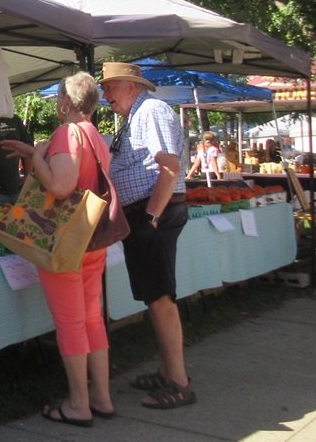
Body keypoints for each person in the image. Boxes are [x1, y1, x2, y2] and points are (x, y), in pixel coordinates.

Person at [1, 71, 115, 427]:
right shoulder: (93, 134)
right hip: (91, 240)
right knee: (92, 319)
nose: (54, 104)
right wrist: (38, 152)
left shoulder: (67, 132)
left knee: (70, 323)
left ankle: (79, 404)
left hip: (65, 244)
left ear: (67, 102)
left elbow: (62, 185)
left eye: (57, 99)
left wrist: (37, 159)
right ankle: (101, 397)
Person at [99, 62, 194, 410]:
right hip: (144, 215)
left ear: (129, 85)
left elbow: (169, 167)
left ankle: (179, 383)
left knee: (160, 299)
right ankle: (168, 371)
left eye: (109, 87)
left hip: (154, 214)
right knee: (156, 297)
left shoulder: (151, 110)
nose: (105, 95)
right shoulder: (135, 116)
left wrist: (151, 217)